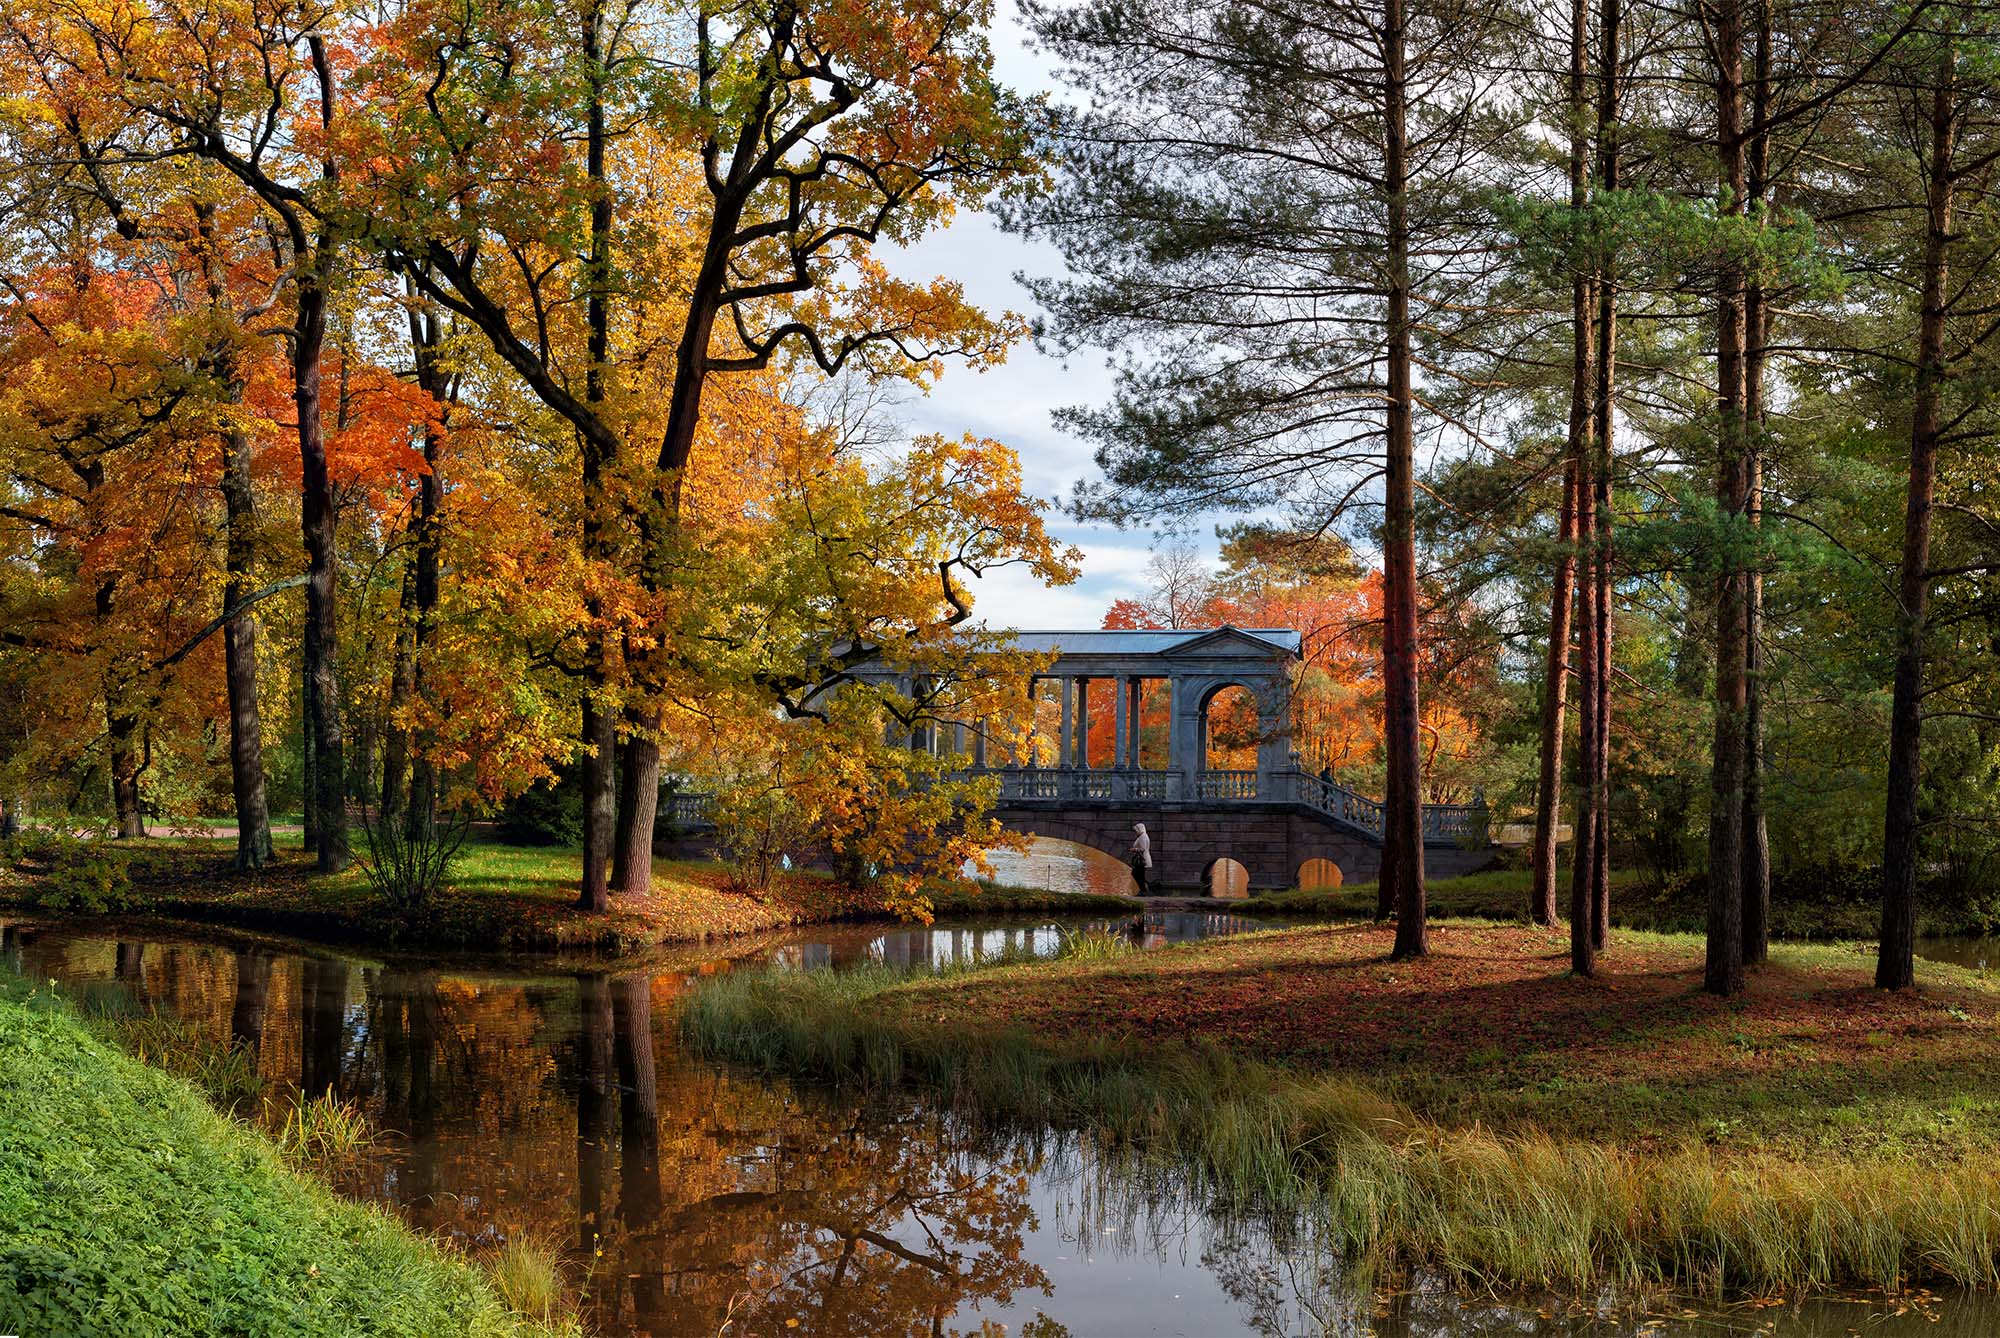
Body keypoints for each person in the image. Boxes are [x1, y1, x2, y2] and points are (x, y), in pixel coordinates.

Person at [1129, 821, 1153, 897]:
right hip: (1141, 859)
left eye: (1136, 830)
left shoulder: (1143, 837)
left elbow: (1142, 849)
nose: (1135, 832)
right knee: (1139, 875)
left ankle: (1143, 890)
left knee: (1136, 874)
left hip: (1142, 860)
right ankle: (1143, 890)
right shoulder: (1142, 836)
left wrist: (1134, 849)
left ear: (1140, 829)